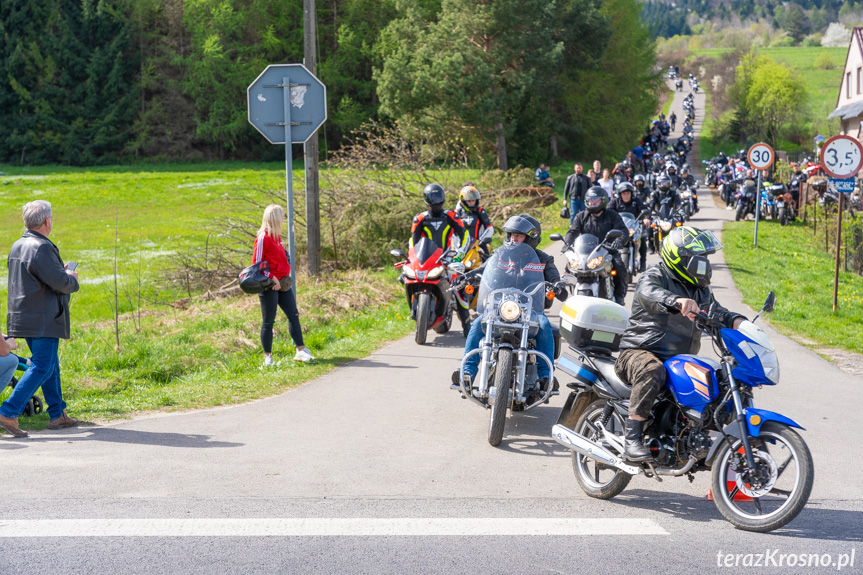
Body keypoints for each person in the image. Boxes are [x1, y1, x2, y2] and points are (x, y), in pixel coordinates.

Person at [614, 226, 746, 461]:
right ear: (680, 257)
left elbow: (716, 311)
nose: (704, 263)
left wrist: (735, 320)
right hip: (638, 352)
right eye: (700, 258)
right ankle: (631, 439)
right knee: (652, 369)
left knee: (717, 379)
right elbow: (648, 293)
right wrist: (675, 300)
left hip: (678, 360)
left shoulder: (701, 289)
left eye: (706, 258)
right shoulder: (655, 275)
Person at [454, 215, 564, 389]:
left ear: (530, 238)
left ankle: (546, 377)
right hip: (500, 307)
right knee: (477, 324)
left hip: (530, 310)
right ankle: (466, 373)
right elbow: (483, 269)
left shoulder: (543, 260)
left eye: (518, 236)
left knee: (544, 325)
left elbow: (555, 278)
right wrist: (467, 277)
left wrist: (558, 286)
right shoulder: (500, 255)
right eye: (511, 235)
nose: (514, 239)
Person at [0, 200, 80, 438]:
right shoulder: (42, 247)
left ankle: (58, 414)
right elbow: (60, 283)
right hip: (43, 317)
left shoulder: (18, 245)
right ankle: (8, 411)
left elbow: (36, 277)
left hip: (23, 315)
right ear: (47, 221)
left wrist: (58, 271)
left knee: (49, 363)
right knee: (43, 365)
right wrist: (70, 276)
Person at [255, 204, 313, 367]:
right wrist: (272, 278)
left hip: (283, 284)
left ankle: (300, 351)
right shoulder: (262, 238)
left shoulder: (277, 237)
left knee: (293, 315)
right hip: (269, 286)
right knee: (268, 321)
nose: (283, 219)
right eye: (282, 216)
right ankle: (268, 358)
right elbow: (257, 265)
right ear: (274, 218)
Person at [412, 184, 469, 332]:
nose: (436, 204)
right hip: (428, 259)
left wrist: (460, 255)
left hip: (447, 258)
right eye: (433, 201)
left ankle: (467, 326)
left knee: (458, 287)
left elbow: (465, 235)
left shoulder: (451, 216)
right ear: (427, 201)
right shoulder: (419, 219)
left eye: (438, 200)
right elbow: (413, 242)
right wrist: (412, 258)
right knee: (408, 277)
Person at [564, 186, 629, 305]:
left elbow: (623, 231)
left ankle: (619, 295)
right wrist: (567, 243)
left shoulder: (612, 215)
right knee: (569, 266)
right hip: (586, 253)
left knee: (619, 266)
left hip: (608, 250)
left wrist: (618, 242)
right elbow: (573, 231)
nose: (592, 202)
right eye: (590, 200)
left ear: (603, 201)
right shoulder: (581, 216)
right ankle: (565, 292)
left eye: (595, 200)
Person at [609, 182, 649, 272]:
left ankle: (643, 262)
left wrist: (646, 218)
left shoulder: (636, 201)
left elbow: (643, 209)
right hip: (619, 227)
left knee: (642, 237)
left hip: (633, 227)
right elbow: (608, 211)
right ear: (620, 194)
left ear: (631, 193)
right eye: (624, 193)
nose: (626, 195)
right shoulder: (614, 202)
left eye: (628, 193)